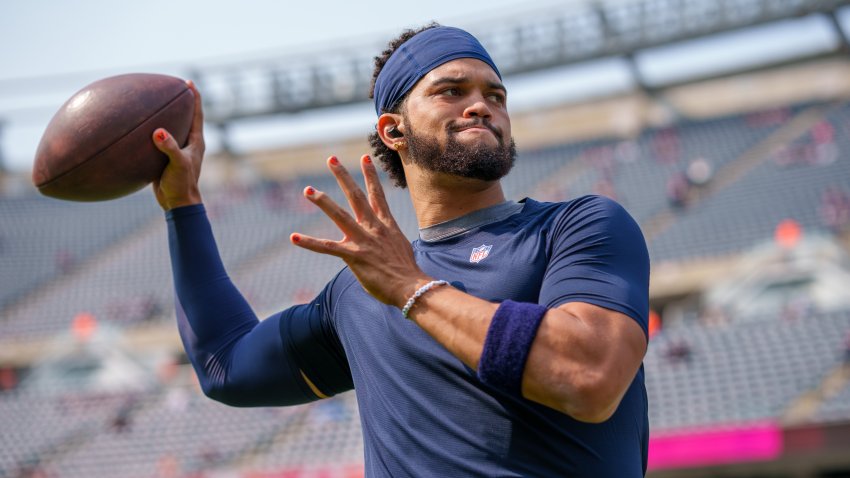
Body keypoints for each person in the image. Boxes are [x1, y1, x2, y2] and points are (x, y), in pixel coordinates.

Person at [151, 24, 650, 477]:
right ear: (394, 131)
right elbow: (225, 366)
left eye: (495, 95)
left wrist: (412, 289)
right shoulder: (359, 291)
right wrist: (183, 205)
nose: (481, 105)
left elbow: (589, 375)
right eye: (451, 91)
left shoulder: (577, 225)